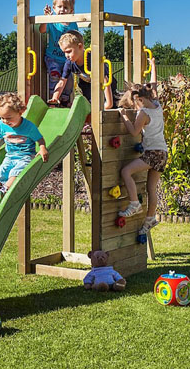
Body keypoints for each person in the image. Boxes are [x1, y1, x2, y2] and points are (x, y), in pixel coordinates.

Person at [117, 57, 168, 234]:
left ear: (139, 99)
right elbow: (153, 84)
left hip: (152, 153)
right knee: (151, 188)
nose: (135, 106)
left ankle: (134, 204)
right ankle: (150, 219)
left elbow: (133, 132)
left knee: (125, 171)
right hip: (163, 152)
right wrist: (153, 64)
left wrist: (124, 116)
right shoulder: (156, 104)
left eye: (134, 103)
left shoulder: (144, 113)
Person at [0, 93, 49, 204]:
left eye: (8, 118)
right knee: (1, 172)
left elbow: (40, 139)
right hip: (9, 156)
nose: (5, 121)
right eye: (2, 118)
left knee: (15, 172)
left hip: (26, 156)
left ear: (20, 112)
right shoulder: (2, 124)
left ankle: (4, 190)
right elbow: (0, 137)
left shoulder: (29, 127)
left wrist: (42, 148)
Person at [48, 30, 117, 109]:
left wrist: (109, 103)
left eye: (69, 51)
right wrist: (55, 98)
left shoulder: (92, 59)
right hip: (87, 85)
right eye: (64, 52)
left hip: (106, 86)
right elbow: (62, 81)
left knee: (106, 104)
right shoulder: (69, 62)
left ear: (80, 47)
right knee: (89, 104)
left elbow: (104, 80)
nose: (66, 55)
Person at [39, 0, 78, 105]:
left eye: (65, 7)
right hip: (53, 57)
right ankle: (53, 98)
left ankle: (65, 99)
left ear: (71, 10)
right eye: (59, 7)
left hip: (66, 58)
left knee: (69, 78)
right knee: (55, 75)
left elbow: (75, 38)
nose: (62, 10)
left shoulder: (72, 24)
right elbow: (42, 30)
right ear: (54, 8)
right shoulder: (52, 22)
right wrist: (47, 19)